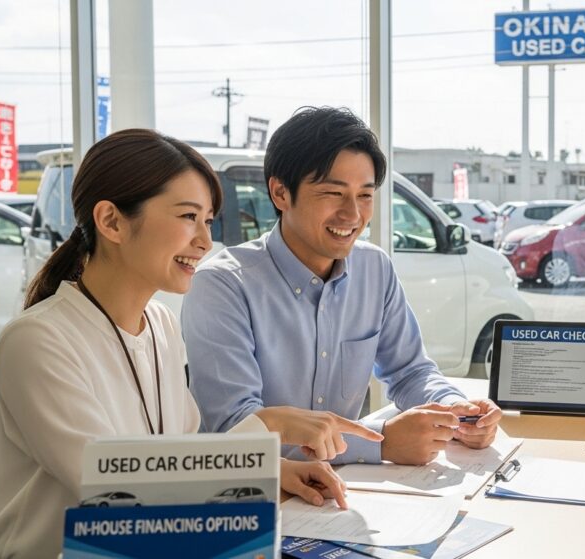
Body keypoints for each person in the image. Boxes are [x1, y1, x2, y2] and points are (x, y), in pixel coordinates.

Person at [0, 129, 381, 559]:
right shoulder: (38, 341)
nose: (204, 241)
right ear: (111, 222)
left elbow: (178, 459)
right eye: (187, 217)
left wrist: (273, 469)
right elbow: (118, 493)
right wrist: (268, 425)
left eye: (208, 221)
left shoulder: (160, 323)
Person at [182, 107, 502, 465]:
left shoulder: (374, 268)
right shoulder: (223, 285)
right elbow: (236, 428)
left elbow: (410, 371)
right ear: (280, 193)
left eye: (365, 195)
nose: (352, 215)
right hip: (255, 497)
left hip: (344, 495)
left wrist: (453, 410)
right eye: (334, 194)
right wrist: (380, 445)